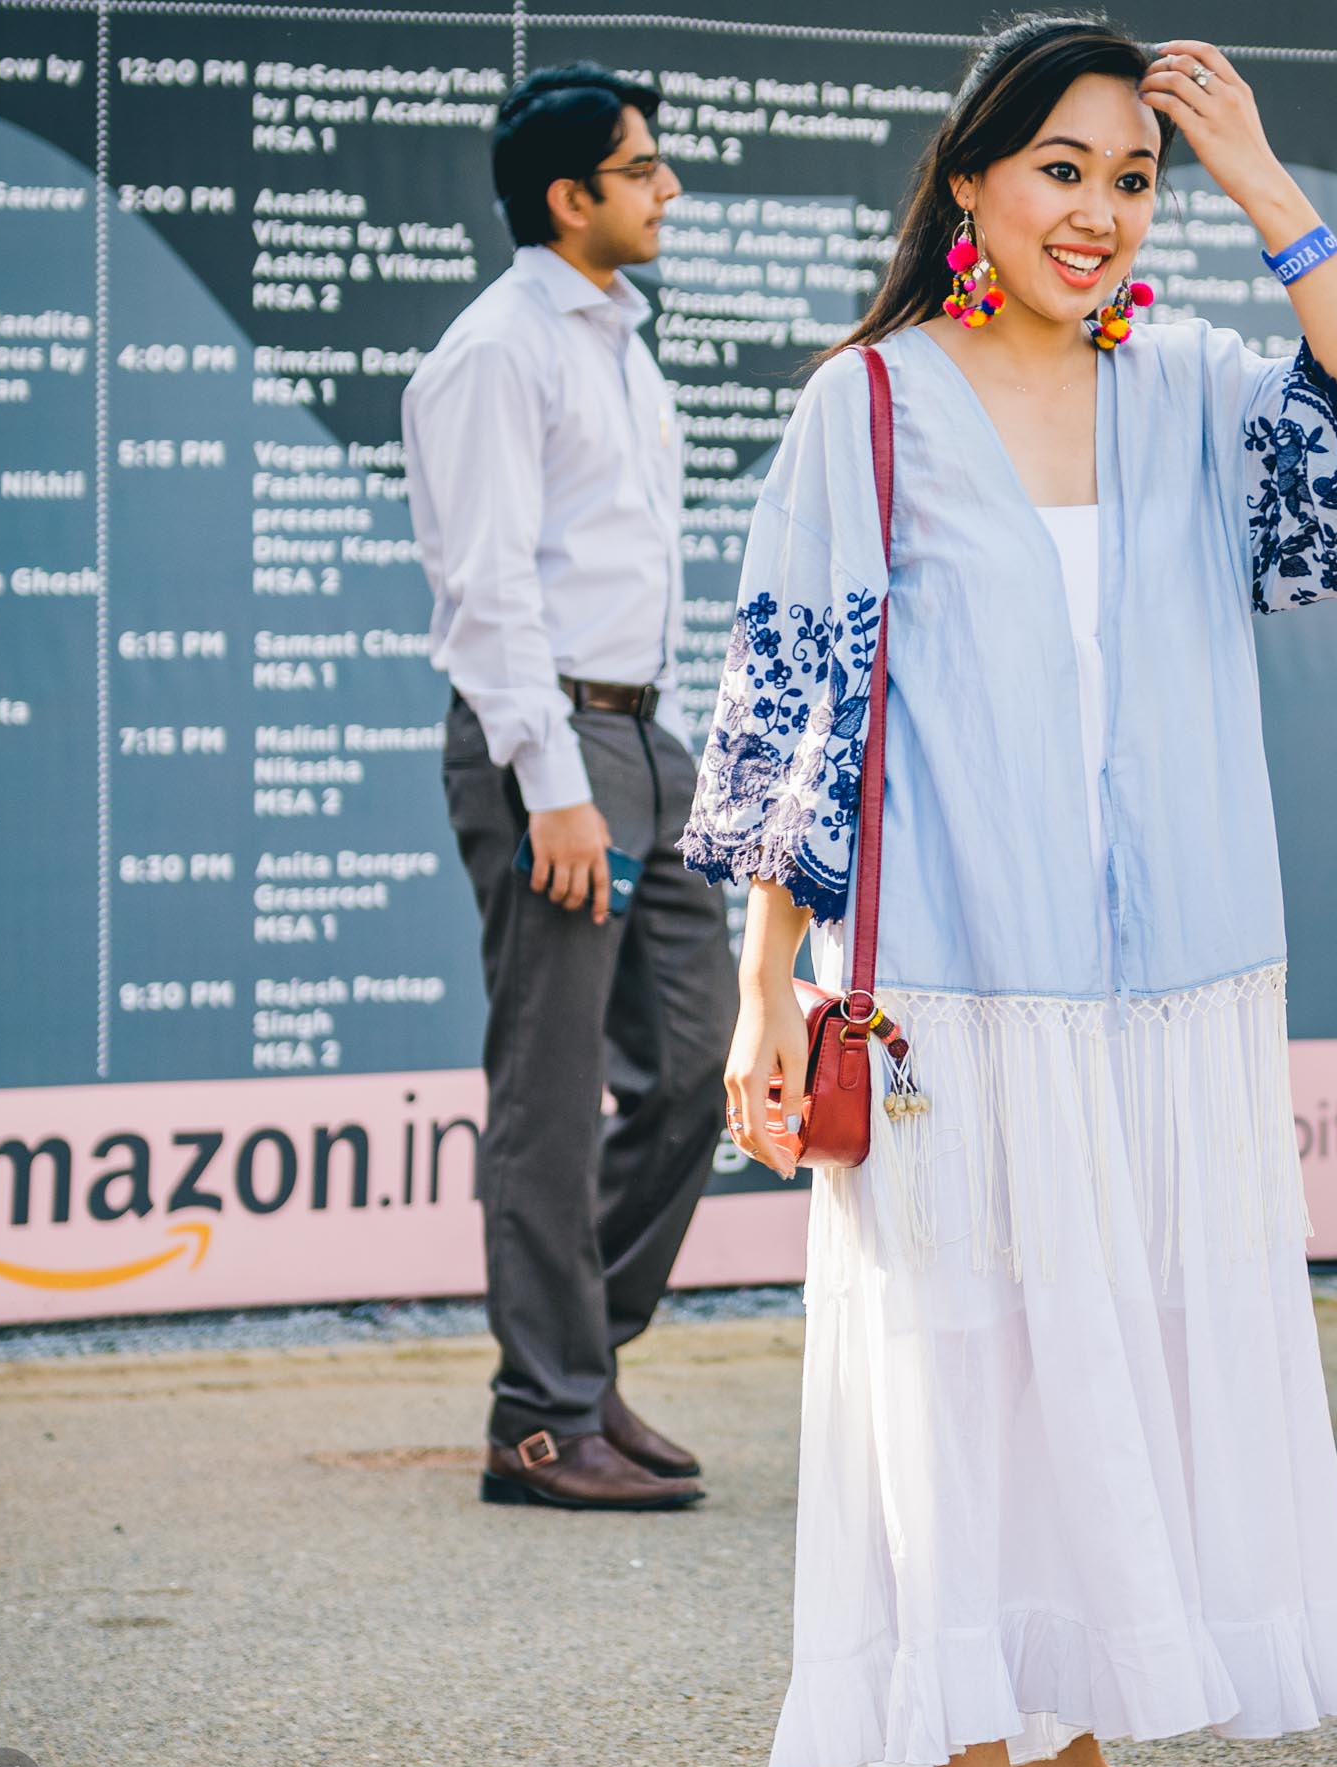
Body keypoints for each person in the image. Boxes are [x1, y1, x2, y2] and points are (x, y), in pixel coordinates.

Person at [682, 16, 1337, 1767]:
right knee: (966, 1383)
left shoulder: (1188, 386)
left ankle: (1079, 1762)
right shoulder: (863, 404)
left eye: (1133, 177)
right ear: (966, 182)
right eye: (1060, 171)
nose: (1099, 213)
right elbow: (787, 720)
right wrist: (770, 997)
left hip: (1173, 990)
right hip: (947, 994)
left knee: (1121, 1366)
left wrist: (1267, 187)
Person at [403, 64, 737, 1510]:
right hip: (552, 751)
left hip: (644, 743)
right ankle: (541, 1422)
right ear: (570, 197)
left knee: (695, 1062)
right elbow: (484, 594)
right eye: (644, 168)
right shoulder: (496, 351)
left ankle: (584, 1367)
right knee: (549, 1090)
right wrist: (553, 783)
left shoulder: (616, 342)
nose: (668, 189)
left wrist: (645, 758)